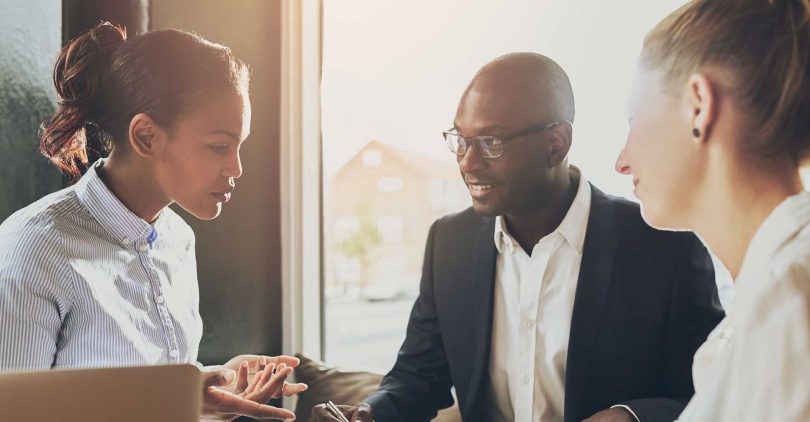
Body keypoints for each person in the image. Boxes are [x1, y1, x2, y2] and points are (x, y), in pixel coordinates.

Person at [311, 53, 724, 422]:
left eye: (491, 142)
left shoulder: (665, 246)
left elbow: (712, 391)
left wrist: (632, 416)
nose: (468, 163)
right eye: (460, 140)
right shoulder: (449, 243)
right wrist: (368, 413)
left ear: (556, 144)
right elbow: (419, 375)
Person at [0, 22, 305, 421]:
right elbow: (12, 412)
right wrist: (167, 399)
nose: (236, 168)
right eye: (218, 146)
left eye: (239, 145)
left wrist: (213, 390)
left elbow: (156, 400)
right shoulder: (35, 247)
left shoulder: (178, 239)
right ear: (146, 136)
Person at [614, 0, 810, 420]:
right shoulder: (767, 297)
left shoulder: (789, 303)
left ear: (698, 105)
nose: (622, 161)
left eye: (633, 118)